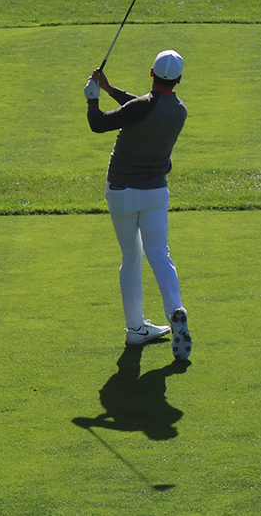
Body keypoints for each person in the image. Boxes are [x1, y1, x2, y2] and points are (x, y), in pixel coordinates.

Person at [87, 50, 192, 360]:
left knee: (131, 254)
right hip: (155, 192)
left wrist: (93, 97)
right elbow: (142, 106)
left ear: (151, 73)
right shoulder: (179, 110)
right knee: (160, 254)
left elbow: (98, 124)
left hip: (121, 191)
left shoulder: (142, 107)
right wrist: (109, 89)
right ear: (179, 79)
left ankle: (136, 327)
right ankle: (175, 310)